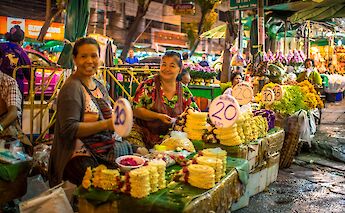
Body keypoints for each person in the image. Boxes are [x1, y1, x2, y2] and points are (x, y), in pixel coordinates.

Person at [48, 38, 147, 187]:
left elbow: (112, 121)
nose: (89, 61)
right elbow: (69, 129)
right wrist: (107, 124)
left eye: (93, 56)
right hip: (79, 155)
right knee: (108, 186)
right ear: (75, 59)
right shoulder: (72, 88)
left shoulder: (99, 86)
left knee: (142, 155)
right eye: (83, 56)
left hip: (104, 147)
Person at [125, 51, 199, 148]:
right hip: (142, 134)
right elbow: (136, 110)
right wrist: (158, 116)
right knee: (140, 152)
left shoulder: (184, 91)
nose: (166, 69)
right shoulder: (149, 85)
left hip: (171, 138)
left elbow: (193, 114)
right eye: (164, 65)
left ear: (180, 70)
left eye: (172, 66)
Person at [0, 25, 31, 96]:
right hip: (15, 86)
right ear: (21, 41)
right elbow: (29, 72)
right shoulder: (21, 52)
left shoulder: (2, 46)